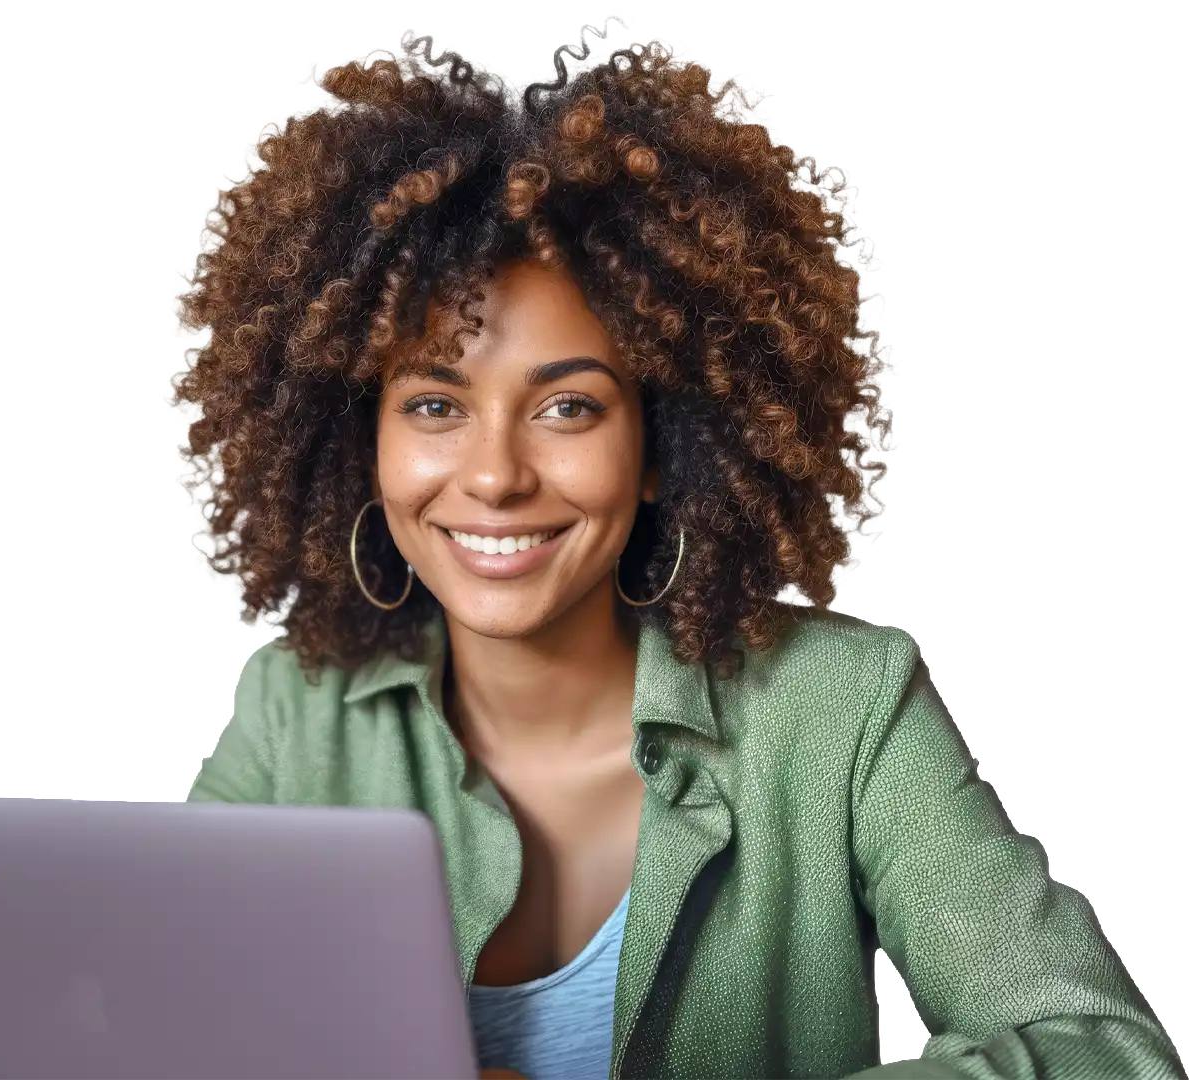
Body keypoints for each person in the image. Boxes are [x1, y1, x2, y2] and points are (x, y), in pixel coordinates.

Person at [163, 16, 1183, 1080]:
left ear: (661, 446)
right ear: (358, 438)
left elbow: (1099, 1052)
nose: (497, 474)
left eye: (566, 408)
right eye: (433, 403)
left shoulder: (843, 714)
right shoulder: (295, 716)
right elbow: (161, 1032)